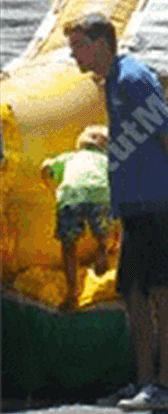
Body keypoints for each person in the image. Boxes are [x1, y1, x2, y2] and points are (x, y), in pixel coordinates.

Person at [65, 12, 168, 411]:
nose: (74, 55)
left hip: (160, 203)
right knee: (132, 292)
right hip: (136, 206)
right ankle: (143, 381)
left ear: (102, 44)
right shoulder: (111, 83)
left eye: (79, 46)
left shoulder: (134, 78)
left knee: (159, 293)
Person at [40, 125, 112, 312]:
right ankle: (103, 251)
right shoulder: (105, 159)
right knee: (104, 230)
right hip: (98, 196)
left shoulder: (72, 157)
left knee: (69, 245)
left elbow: (46, 167)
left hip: (71, 197)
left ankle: (72, 292)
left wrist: (49, 180)